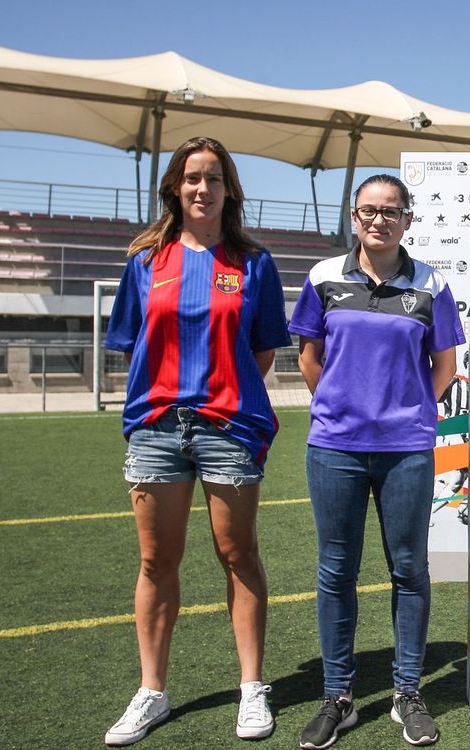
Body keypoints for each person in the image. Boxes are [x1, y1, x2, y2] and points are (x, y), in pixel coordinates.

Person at [103, 136, 291, 745]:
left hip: (228, 427)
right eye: (191, 178)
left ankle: (252, 688)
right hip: (157, 428)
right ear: (174, 189)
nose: (202, 188)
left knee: (239, 556)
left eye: (213, 178)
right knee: (157, 561)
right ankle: (152, 692)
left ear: (229, 189)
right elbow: (132, 345)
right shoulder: (144, 262)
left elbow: (260, 350)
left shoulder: (254, 263)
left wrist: (219, 393)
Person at [289, 174, 465, 749]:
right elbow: (309, 359)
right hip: (335, 447)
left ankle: (407, 691)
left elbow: (443, 365)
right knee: (335, 571)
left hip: (406, 449)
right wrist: (344, 405)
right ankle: (337, 696)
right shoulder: (322, 278)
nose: (379, 220)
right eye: (369, 210)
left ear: (408, 219)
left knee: (409, 569)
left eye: (391, 211)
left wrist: (409, 411)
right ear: (354, 215)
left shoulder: (431, 283)